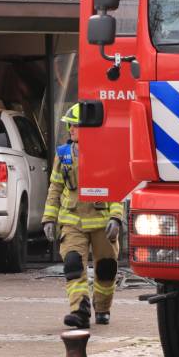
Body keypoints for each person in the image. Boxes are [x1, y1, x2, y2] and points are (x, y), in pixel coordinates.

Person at [41, 103, 124, 329]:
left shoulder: (107, 153)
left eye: (74, 126)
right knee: (72, 264)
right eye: (70, 126)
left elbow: (116, 188)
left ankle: (103, 307)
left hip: (102, 222)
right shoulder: (64, 154)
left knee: (106, 268)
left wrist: (116, 218)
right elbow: (55, 188)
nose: (70, 130)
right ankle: (80, 310)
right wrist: (49, 219)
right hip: (72, 220)